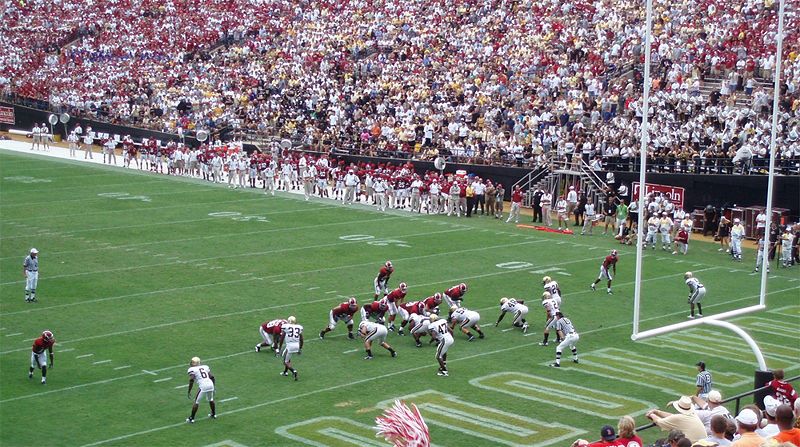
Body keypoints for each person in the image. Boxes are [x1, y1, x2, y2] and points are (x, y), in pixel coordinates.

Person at [186, 356, 216, 423]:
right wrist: (214, 387)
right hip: (210, 384)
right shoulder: (205, 367)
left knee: (196, 402)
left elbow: (191, 379)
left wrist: (189, 390)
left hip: (203, 386)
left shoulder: (192, 369)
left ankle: (191, 418)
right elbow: (212, 377)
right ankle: (213, 414)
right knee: (210, 399)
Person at [278, 316, 303, 381]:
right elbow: (302, 339)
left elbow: (282, 338)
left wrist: (279, 347)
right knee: (288, 359)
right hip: (296, 345)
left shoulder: (286, 326)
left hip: (289, 345)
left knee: (285, 361)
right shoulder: (299, 327)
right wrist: (300, 348)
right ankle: (285, 372)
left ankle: (294, 371)